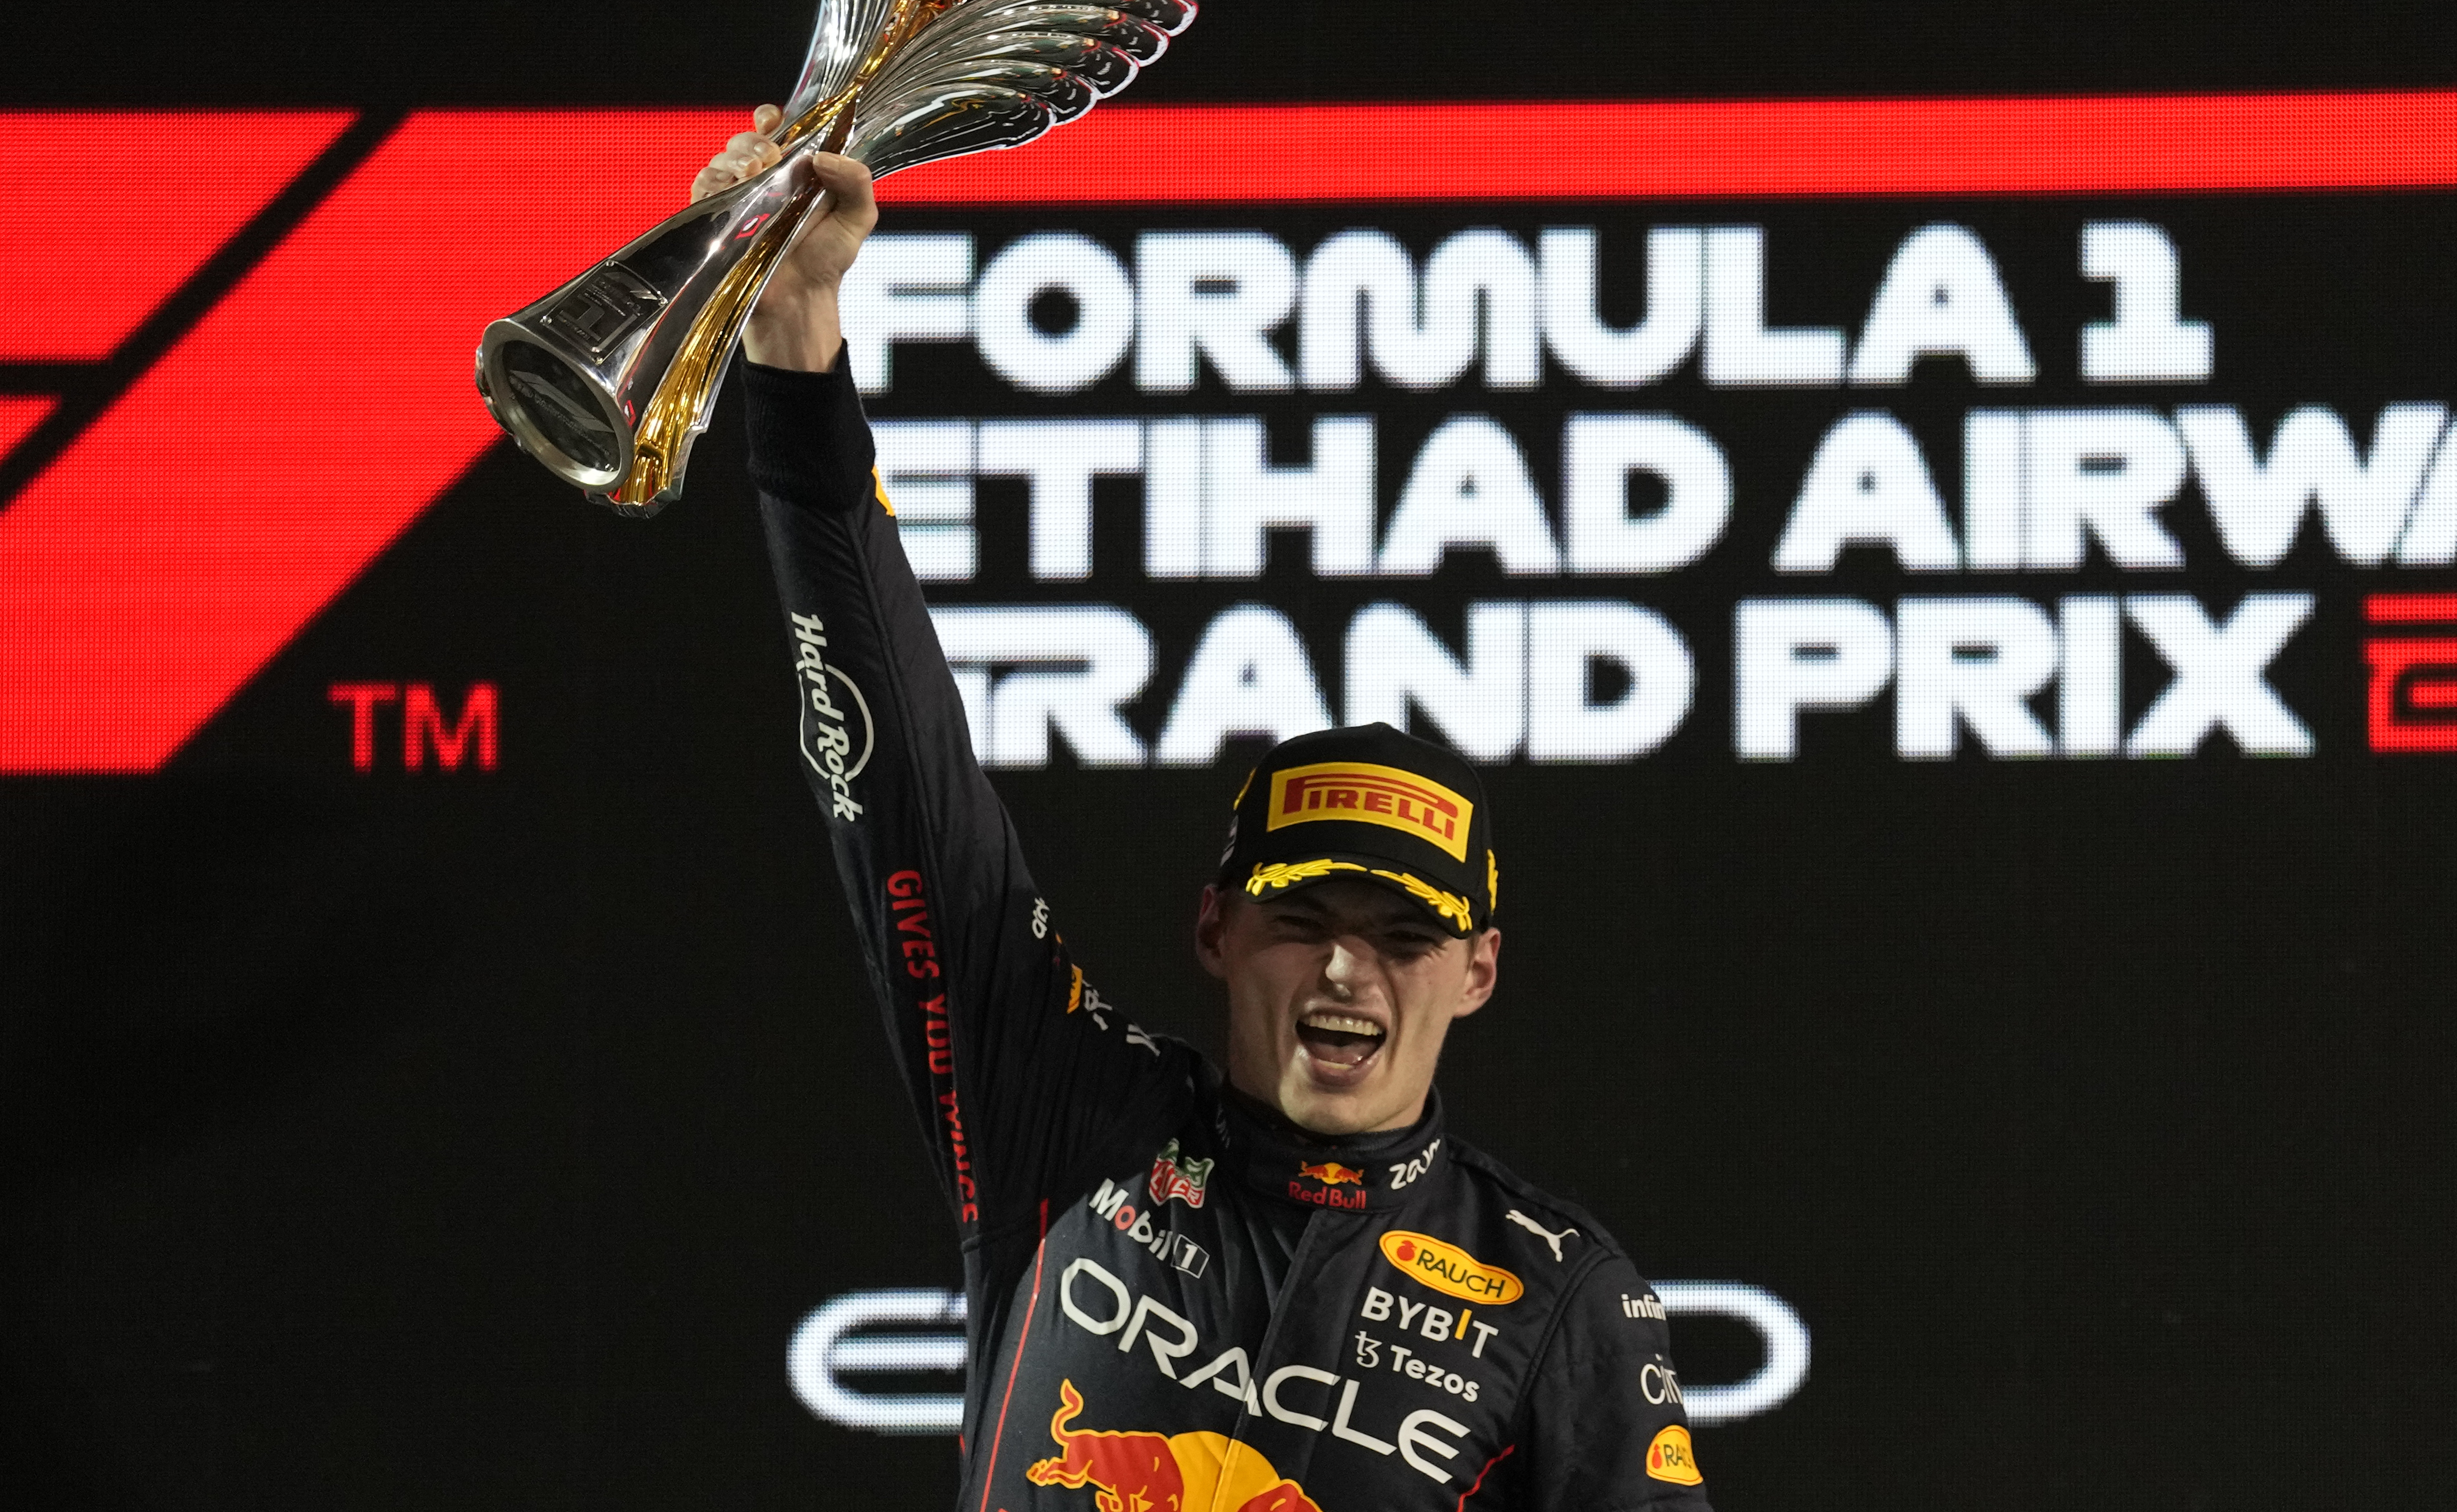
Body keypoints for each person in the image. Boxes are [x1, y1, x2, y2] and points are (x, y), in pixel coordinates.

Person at [702, 113, 1712, 1510]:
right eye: (1304, 921)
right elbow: (906, 785)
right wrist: (798, 337)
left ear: (1476, 972)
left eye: (1402, 936)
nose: (1347, 968)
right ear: (1216, 928)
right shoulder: (1067, 1121)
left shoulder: (1559, 1298)